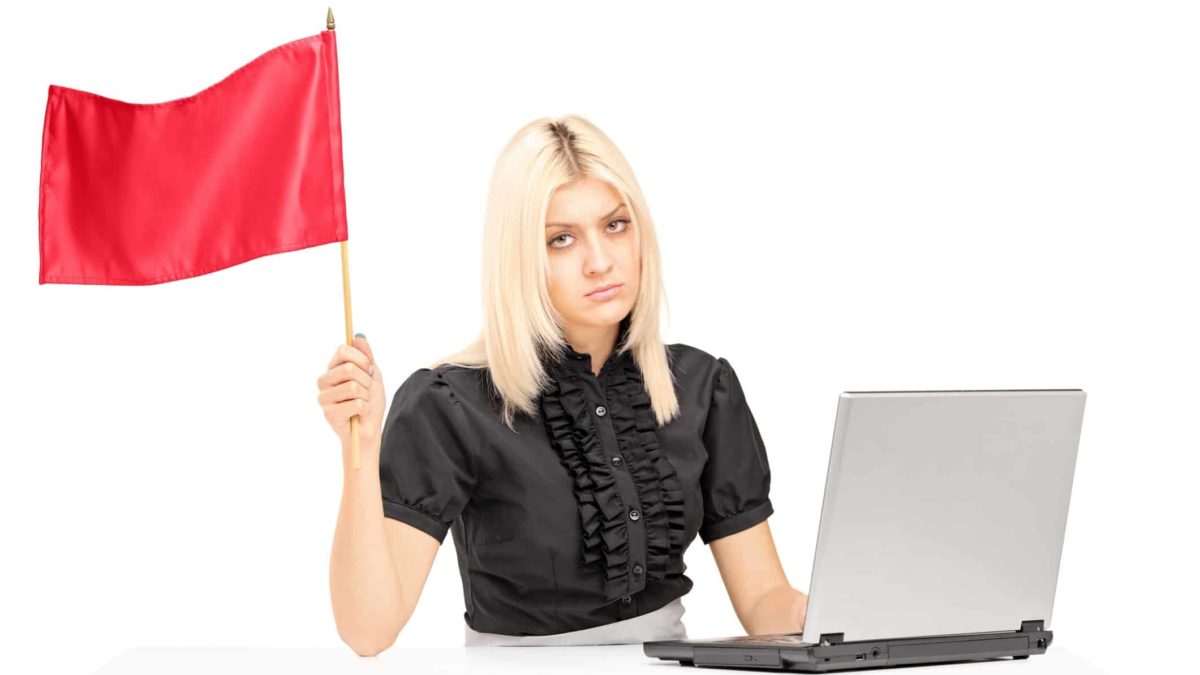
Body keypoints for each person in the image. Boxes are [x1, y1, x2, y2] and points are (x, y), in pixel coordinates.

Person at [319, 115, 808, 655]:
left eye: (616, 225)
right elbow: (369, 631)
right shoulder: (450, 406)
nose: (600, 262)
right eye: (561, 240)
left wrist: (843, 612)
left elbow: (765, 600)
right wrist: (358, 452)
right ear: (519, 257)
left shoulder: (700, 386)